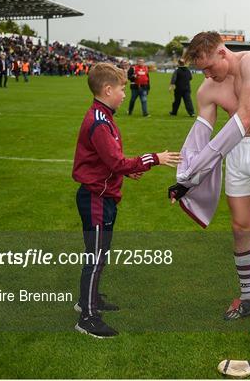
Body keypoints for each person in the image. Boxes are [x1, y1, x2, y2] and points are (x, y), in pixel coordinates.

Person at [168, 31, 250, 320]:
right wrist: (186, 178)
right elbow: (199, 138)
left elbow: (245, 117)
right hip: (237, 154)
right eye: (202, 70)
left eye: (210, 67)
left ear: (222, 53)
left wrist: (202, 168)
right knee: (240, 228)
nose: (208, 74)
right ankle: (248, 296)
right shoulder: (207, 89)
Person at [72, 62, 181, 338]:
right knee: (95, 257)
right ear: (107, 90)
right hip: (96, 198)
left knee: (99, 254)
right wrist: (155, 158)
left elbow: (108, 162)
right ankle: (87, 316)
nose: (125, 93)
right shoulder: (99, 121)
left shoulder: (105, 116)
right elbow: (116, 161)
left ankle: (91, 300)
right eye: (122, 88)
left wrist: (126, 171)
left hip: (103, 195)